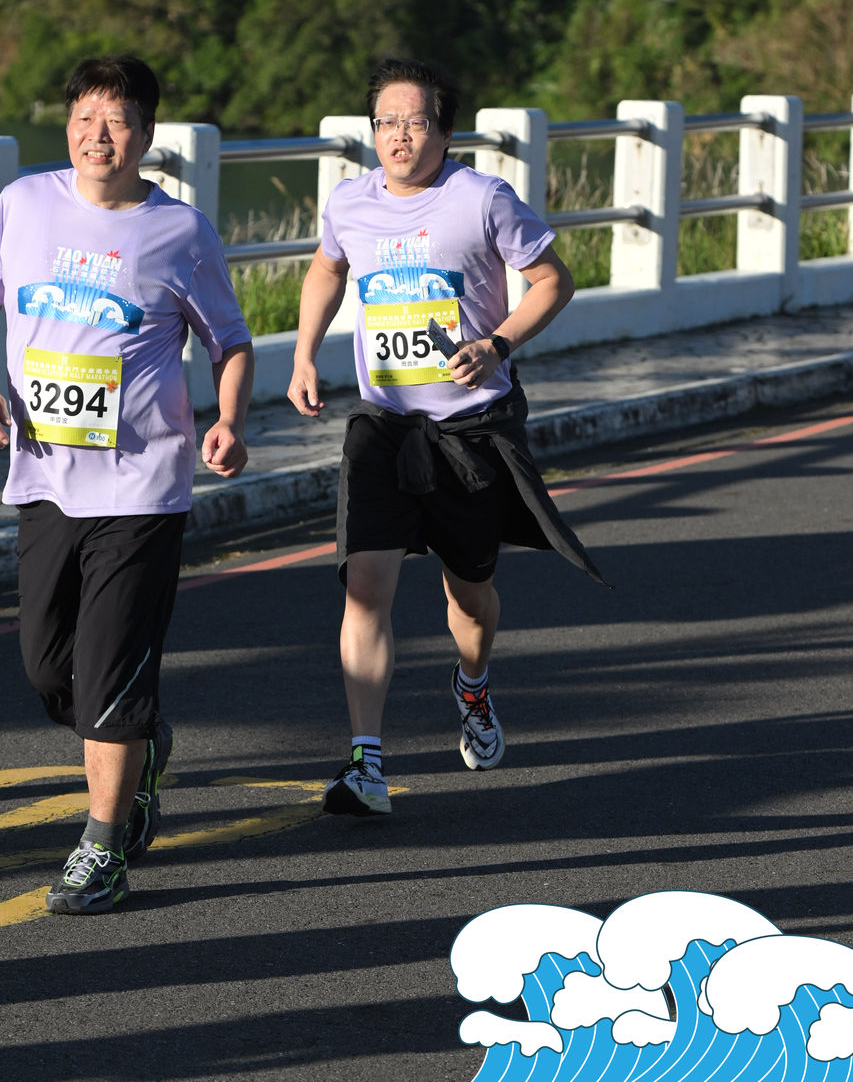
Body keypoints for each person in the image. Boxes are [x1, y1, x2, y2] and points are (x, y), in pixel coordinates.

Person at [287, 57, 606, 818]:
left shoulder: (482, 200)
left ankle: (473, 685)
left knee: (468, 593)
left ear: (445, 130)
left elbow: (553, 281)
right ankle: (366, 762)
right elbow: (326, 269)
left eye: (416, 121)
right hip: (383, 426)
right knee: (365, 587)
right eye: (386, 122)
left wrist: (495, 344)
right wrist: (303, 354)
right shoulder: (350, 202)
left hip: (471, 428)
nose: (399, 135)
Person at [0, 54, 254, 913]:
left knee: (109, 674)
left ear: (145, 134)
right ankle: (140, 738)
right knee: (46, 667)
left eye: (115, 121)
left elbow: (230, 342)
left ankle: (102, 848)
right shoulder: (22, 204)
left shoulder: (179, 230)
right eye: (83, 118)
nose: (95, 136)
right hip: (45, 479)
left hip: (142, 488)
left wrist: (229, 419)